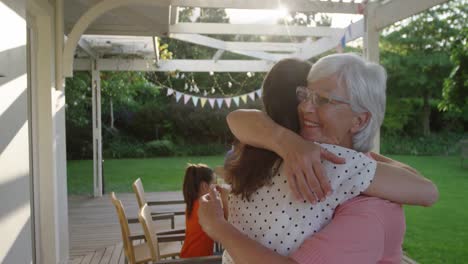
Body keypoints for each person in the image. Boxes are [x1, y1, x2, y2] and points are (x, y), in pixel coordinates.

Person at [198, 55, 438, 263]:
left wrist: (218, 227)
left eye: (322, 100)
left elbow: (236, 118)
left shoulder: (255, 154)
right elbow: (426, 190)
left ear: (359, 120)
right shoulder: (334, 163)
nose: (306, 107)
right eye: (305, 96)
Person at [180, 164, 227, 258]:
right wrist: (224, 198)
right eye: (214, 183)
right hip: (198, 261)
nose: (217, 187)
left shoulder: (194, 202)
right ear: (204, 186)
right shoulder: (204, 207)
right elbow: (226, 227)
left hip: (189, 256)